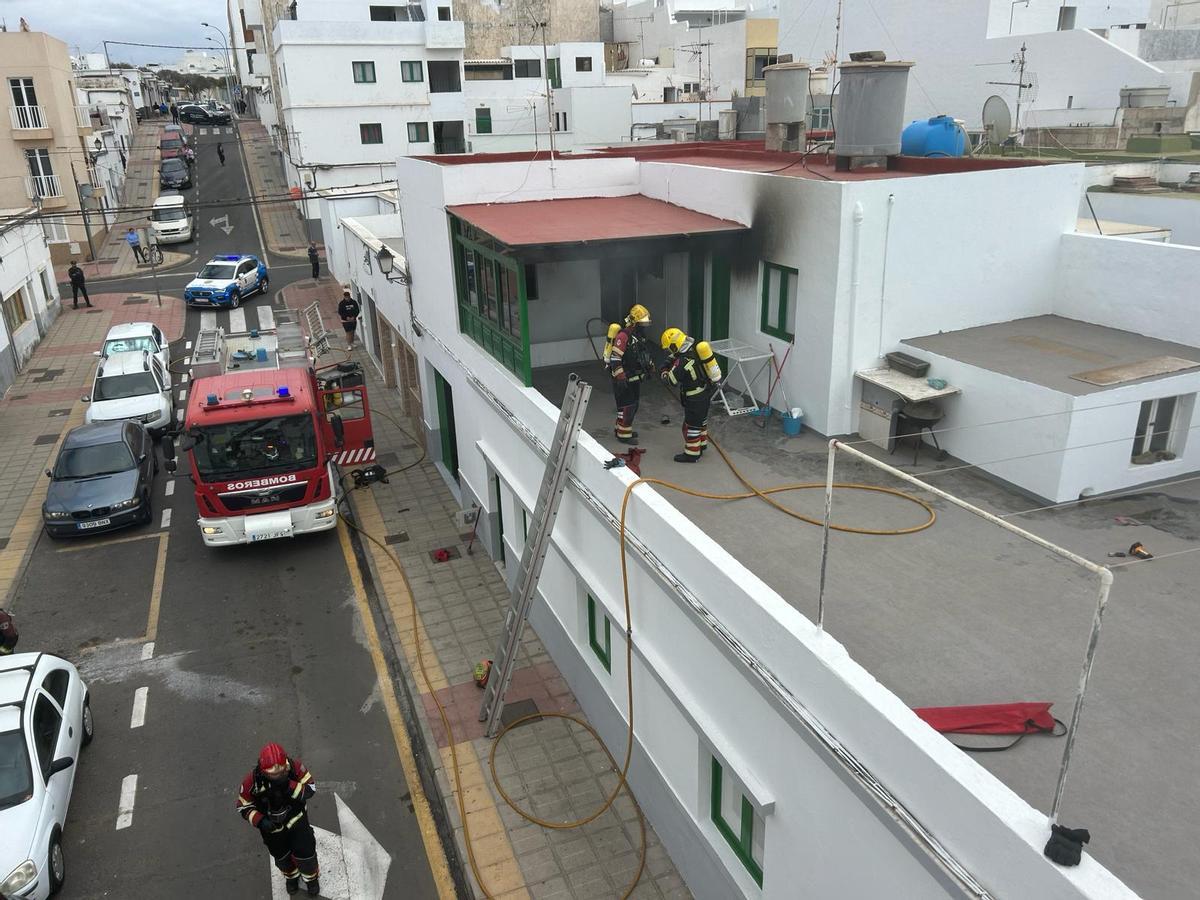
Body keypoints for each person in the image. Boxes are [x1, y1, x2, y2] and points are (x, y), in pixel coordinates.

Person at [237, 743, 320, 896]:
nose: (277, 776)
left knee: (306, 853)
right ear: (263, 770)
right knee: (282, 858)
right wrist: (261, 821)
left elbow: (310, 789)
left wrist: (289, 785)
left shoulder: (296, 769)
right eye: (272, 774)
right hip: (272, 829)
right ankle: (292, 878)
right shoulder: (252, 782)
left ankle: (312, 880)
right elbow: (243, 806)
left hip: (297, 821)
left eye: (281, 772)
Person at [660, 327, 722, 463]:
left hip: (694, 398)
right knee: (702, 420)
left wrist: (664, 370)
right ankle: (702, 444)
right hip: (705, 393)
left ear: (674, 346)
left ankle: (692, 454)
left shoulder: (681, 362)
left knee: (691, 425)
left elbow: (671, 380)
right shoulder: (696, 351)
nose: (669, 351)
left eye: (670, 348)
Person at [604, 304, 653, 444]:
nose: (644, 327)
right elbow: (615, 358)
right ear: (634, 322)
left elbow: (643, 354)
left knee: (631, 405)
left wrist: (649, 368)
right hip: (624, 378)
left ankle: (621, 428)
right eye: (641, 324)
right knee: (627, 406)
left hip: (634, 378)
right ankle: (624, 435)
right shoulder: (623, 336)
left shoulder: (637, 336)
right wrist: (620, 377)